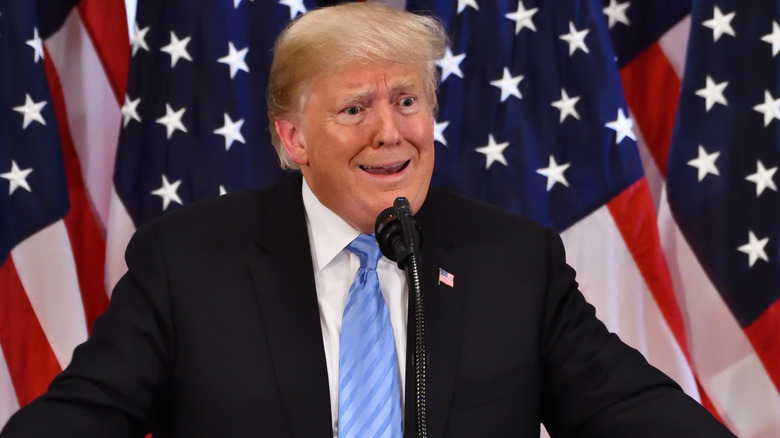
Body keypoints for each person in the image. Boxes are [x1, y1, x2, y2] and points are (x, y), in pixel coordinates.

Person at [1, 3, 736, 437]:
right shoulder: (187, 264)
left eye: (408, 102)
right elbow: (78, 421)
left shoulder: (515, 262)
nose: (393, 133)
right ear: (292, 139)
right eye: (355, 109)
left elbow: (637, 414)